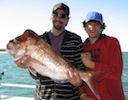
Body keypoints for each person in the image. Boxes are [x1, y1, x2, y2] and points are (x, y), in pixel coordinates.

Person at [29, 3, 86, 100]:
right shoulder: (40, 40)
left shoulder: (75, 39)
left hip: (69, 97)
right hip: (43, 97)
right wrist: (29, 67)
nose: (58, 18)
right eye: (55, 15)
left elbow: (80, 67)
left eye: (63, 16)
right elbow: (34, 74)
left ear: (67, 20)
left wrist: (78, 82)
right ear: (51, 17)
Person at [81, 11, 125, 100]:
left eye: (96, 24)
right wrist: (82, 95)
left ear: (102, 27)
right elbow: (79, 76)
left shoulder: (112, 42)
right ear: (85, 26)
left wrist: (90, 64)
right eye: (89, 24)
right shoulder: (81, 47)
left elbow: (116, 72)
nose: (92, 27)